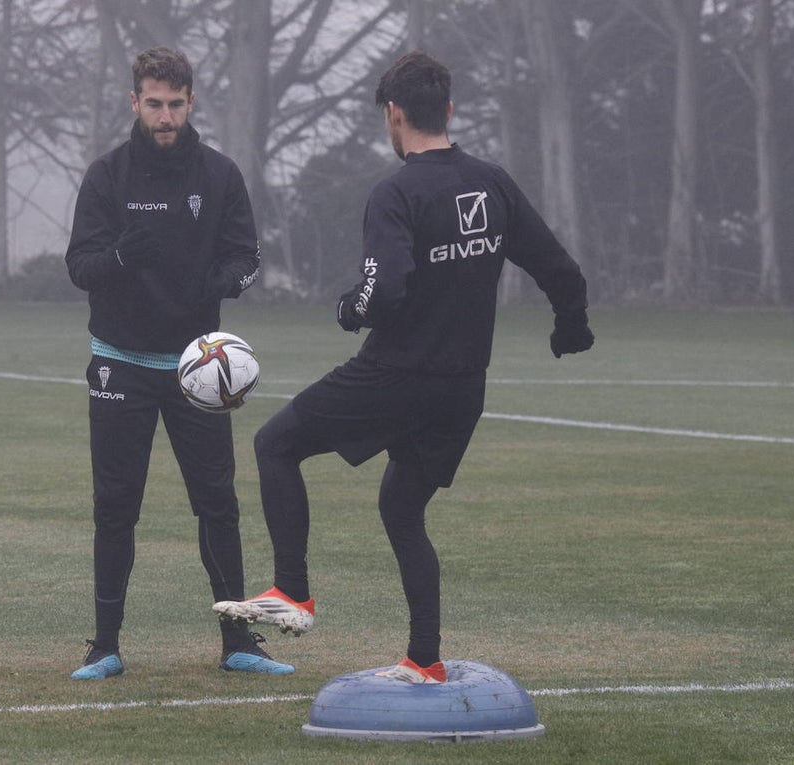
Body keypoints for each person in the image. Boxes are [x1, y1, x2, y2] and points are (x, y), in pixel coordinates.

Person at [214, 51, 594, 683]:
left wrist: (349, 309)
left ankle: (291, 592)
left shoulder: (396, 193)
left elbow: (383, 291)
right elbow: (559, 267)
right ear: (448, 110)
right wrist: (571, 324)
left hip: (396, 375)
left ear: (394, 114)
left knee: (275, 444)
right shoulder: (493, 183)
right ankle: (425, 658)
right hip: (462, 389)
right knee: (401, 507)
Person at [65, 47, 291, 679]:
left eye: (175, 104)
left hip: (198, 368)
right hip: (119, 363)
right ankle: (105, 646)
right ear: (134, 102)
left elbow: (247, 256)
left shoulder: (219, 175)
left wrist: (220, 282)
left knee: (217, 503)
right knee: (115, 506)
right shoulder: (107, 176)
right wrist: (120, 257)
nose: (164, 117)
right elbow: (79, 265)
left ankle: (239, 642)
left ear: (191, 103)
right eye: (153, 104)